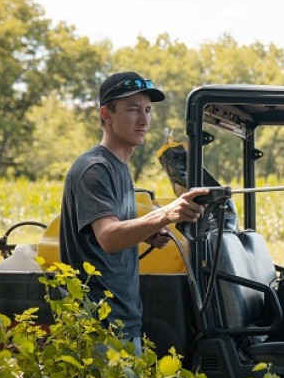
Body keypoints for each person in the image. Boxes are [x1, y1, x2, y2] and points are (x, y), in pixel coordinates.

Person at [59, 71, 207, 355]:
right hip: (98, 326)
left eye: (148, 110)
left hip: (122, 321)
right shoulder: (95, 169)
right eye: (132, 109)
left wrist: (146, 233)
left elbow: (110, 230)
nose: (144, 119)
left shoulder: (119, 167)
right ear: (107, 114)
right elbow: (108, 237)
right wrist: (166, 213)